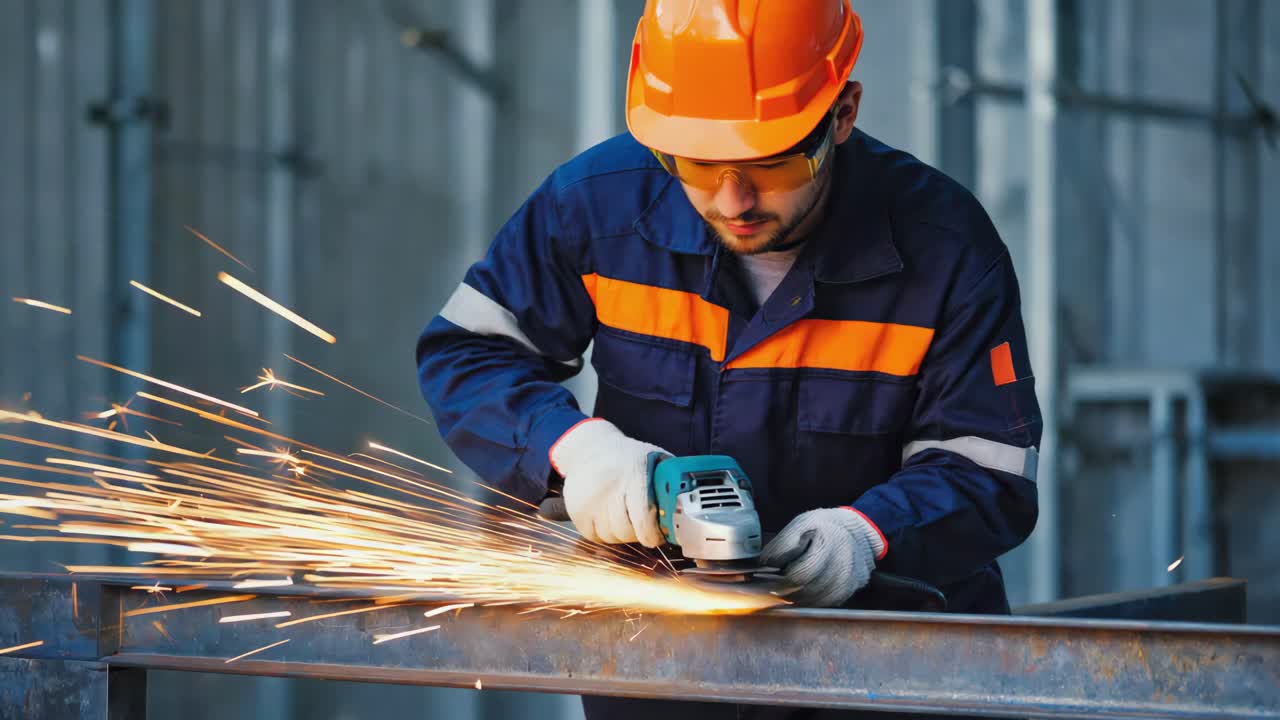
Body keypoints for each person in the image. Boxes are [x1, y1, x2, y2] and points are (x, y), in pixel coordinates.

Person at [418, 1, 1040, 717]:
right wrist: (577, 451)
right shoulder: (598, 205)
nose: (732, 198)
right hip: (663, 666)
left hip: (886, 673)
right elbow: (470, 352)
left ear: (841, 114)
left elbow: (987, 468)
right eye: (699, 164)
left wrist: (867, 537)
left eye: (770, 163)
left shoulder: (945, 248)